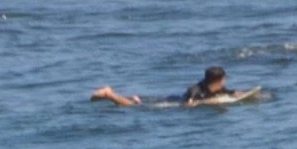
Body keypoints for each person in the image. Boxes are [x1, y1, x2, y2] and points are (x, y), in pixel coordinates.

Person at [90, 65, 239, 107]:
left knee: (138, 101)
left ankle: (111, 96)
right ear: (219, 79)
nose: (225, 82)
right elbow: (190, 102)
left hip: (171, 99)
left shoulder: (217, 88)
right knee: (132, 106)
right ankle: (109, 94)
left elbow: (230, 93)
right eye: (224, 79)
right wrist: (196, 103)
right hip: (170, 102)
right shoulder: (196, 89)